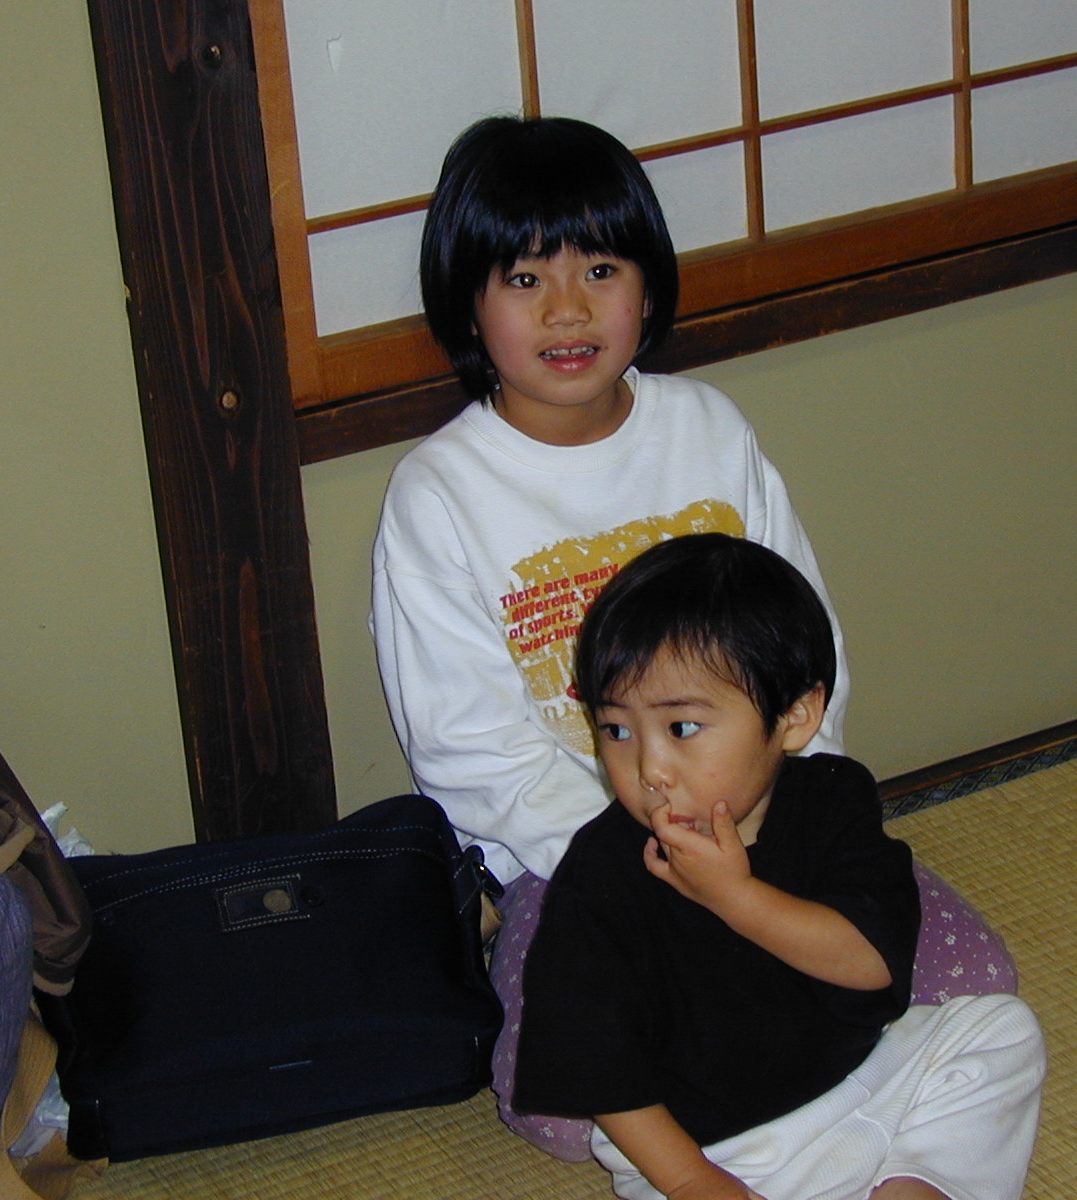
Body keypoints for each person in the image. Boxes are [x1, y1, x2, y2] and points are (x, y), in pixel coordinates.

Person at [369, 114, 1015, 1157]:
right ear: (467, 303)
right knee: (560, 1108)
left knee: (971, 984)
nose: (568, 308)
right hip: (580, 855)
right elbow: (468, 752)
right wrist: (659, 860)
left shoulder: (706, 427)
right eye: (525, 279)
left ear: (649, 284)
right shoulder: (440, 492)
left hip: (765, 811)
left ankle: (817, 1108)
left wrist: (780, 817)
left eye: (601, 269)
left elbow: (802, 640)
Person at [515, 534, 1045, 1200]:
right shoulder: (601, 873)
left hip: (872, 1079)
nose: (649, 769)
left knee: (1000, 1031)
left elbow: (870, 963)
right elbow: (594, 1058)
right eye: (616, 730)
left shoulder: (834, 799)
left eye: (681, 728)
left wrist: (734, 895)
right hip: (722, 1151)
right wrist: (691, 1179)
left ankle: (913, 1186)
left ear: (795, 717)